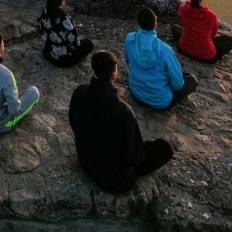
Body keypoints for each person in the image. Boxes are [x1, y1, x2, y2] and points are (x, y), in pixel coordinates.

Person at [69, 50, 174, 193]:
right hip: (115, 180)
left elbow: (74, 123)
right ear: (114, 75)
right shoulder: (123, 111)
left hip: (86, 162)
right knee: (164, 148)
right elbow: (133, 157)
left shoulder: (79, 92)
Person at [124, 7, 198, 109]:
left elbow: (128, 62)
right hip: (160, 102)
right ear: (155, 25)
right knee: (191, 79)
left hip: (135, 90)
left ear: (139, 23)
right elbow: (178, 85)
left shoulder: (130, 39)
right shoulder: (164, 50)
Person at [170, 0, 232, 64]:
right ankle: (202, 46)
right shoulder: (211, 16)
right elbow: (212, 35)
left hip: (184, 49)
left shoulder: (182, 9)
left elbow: (182, 23)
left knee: (175, 28)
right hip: (207, 56)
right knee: (229, 40)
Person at [39, 0, 94, 68]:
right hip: (63, 61)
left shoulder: (45, 13)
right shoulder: (66, 20)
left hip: (47, 53)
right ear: (62, 0)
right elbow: (75, 44)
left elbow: (42, 31)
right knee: (89, 44)